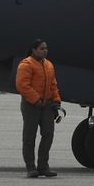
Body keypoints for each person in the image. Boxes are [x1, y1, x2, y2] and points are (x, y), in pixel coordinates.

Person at [16, 39, 62, 178]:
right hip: (31, 105)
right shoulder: (26, 64)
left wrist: (56, 100)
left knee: (48, 134)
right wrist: (36, 100)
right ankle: (31, 168)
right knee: (29, 136)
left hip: (47, 105)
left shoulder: (49, 65)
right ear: (33, 50)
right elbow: (22, 85)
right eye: (42, 48)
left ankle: (43, 166)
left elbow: (53, 85)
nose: (45, 51)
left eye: (46, 48)